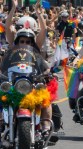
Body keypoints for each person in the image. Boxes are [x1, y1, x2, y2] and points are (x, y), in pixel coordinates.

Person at [1, 0, 52, 135]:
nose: (25, 43)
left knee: (45, 97)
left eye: (27, 41)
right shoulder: (12, 47)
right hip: (13, 82)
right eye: (22, 41)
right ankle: (2, 120)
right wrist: (14, 8)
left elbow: (44, 30)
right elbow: (7, 27)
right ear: (18, 40)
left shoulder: (36, 48)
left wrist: (38, 13)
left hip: (31, 81)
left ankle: (46, 126)